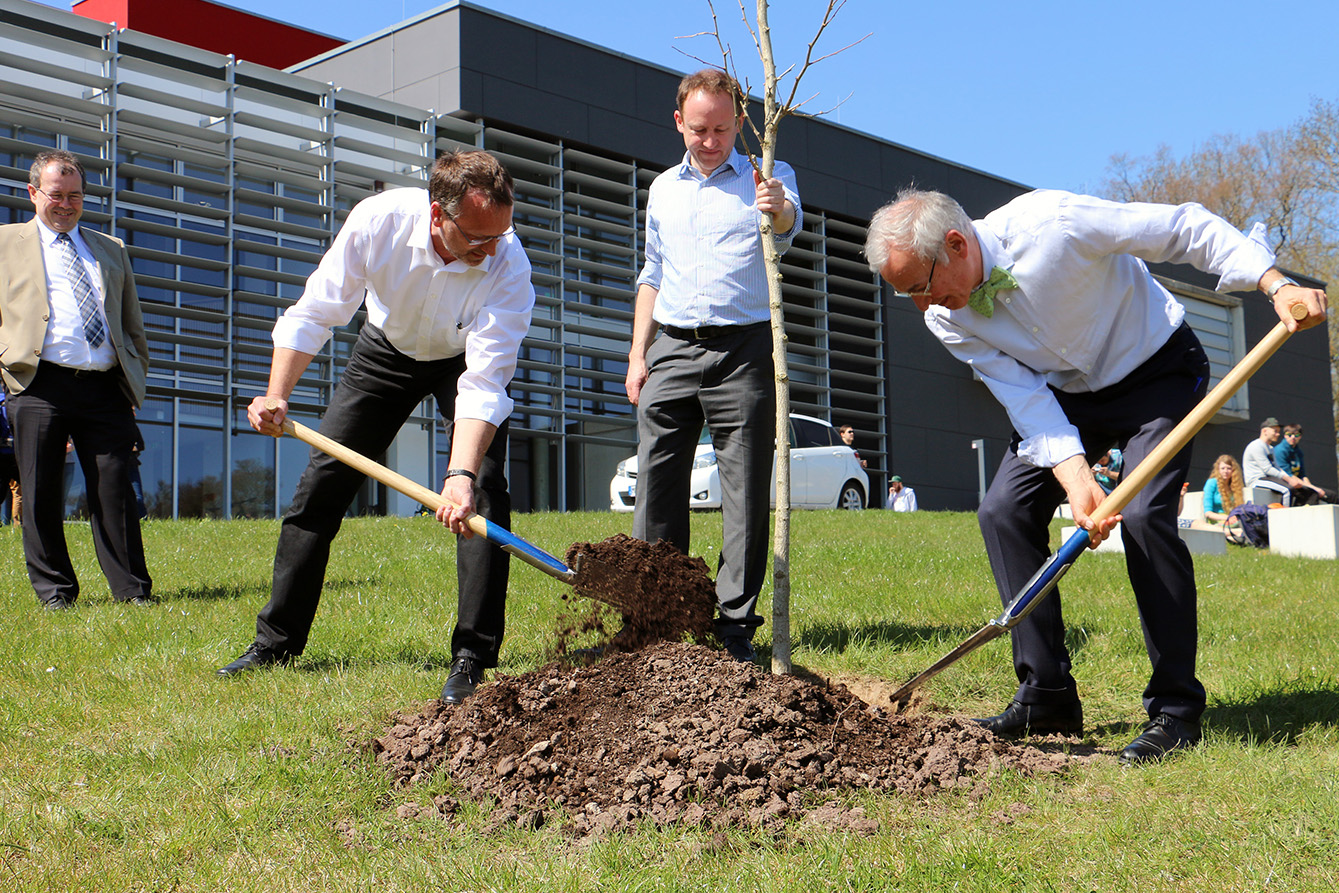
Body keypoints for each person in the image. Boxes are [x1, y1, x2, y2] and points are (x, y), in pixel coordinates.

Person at [864, 187, 1326, 764]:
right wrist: (1077, 477)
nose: (920, 304)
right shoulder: (945, 314)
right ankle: (1046, 694)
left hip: (1156, 369)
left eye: (920, 284)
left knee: (1142, 515)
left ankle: (1176, 710)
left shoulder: (1052, 223)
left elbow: (1184, 228)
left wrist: (1275, 284)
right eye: (906, 292)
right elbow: (1024, 395)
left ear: (956, 244)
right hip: (1067, 397)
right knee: (1003, 510)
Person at [216, 150, 535, 709]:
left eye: (500, 236)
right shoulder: (378, 221)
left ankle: (472, 657)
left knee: (482, 492)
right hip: (385, 352)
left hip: (463, 359)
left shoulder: (508, 263)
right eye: (478, 238)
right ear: (438, 213)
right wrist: (277, 394)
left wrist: (458, 475)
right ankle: (276, 643)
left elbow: (485, 383)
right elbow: (317, 310)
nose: (492, 249)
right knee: (320, 489)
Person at [625, 69, 801, 664]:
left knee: (745, 490)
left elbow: (787, 224)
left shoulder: (766, 176)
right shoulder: (662, 190)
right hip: (669, 346)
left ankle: (733, 629)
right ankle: (659, 616)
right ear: (680, 123)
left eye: (723, 128)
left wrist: (775, 207)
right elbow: (650, 273)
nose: (711, 140)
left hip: (744, 352)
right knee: (656, 483)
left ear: (740, 123)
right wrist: (636, 355)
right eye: (699, 129)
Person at [0, 149, 153, 610]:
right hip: (38, 383)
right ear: (33, 194)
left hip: (104, 385)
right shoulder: (5, 243)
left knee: (115, 488)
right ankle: (56, 593)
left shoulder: (110, 249)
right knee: (42, 489)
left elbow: (131, 324)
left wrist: (131, 382)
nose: (65, 204)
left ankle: (132, 591)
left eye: (75, 196)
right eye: (56, 195)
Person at [1242, 417, 1316, 507]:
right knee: (1287, 490)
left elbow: (1277, 468)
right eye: (1275, 431)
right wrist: (1289, 479)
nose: (1277, 434)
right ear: (1265, 431)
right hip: (1257, 480)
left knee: (1305, 492)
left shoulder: (1271, 448)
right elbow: (1267, 469)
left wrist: (1291, 479)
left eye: (1278, 431)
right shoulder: (1256, 446)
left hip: (1269, 479)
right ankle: (1284, 517)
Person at [1272, 423, 1337, 505]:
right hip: (1287, 483)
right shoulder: (1280, 450)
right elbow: (1287, 475)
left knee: (1332, 495)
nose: (1293, 437)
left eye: (1296, 435)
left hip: (1300, 483)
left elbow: (1303, 475)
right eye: (1289, 434)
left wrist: (1311, 486)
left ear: (1300, 436)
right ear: (1285, 435)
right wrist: (1313, 488)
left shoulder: (1298, 452)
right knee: (1312, 493)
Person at [1202, 454, 1244, 526]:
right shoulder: (1212, 483)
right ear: (1218, 470)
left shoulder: (1235, 485)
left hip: (1232, 519)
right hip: (1216, 521)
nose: (1225, 471)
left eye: (1229, 468)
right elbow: (1208, 513)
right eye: (1223, 468)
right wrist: (1227, 517)